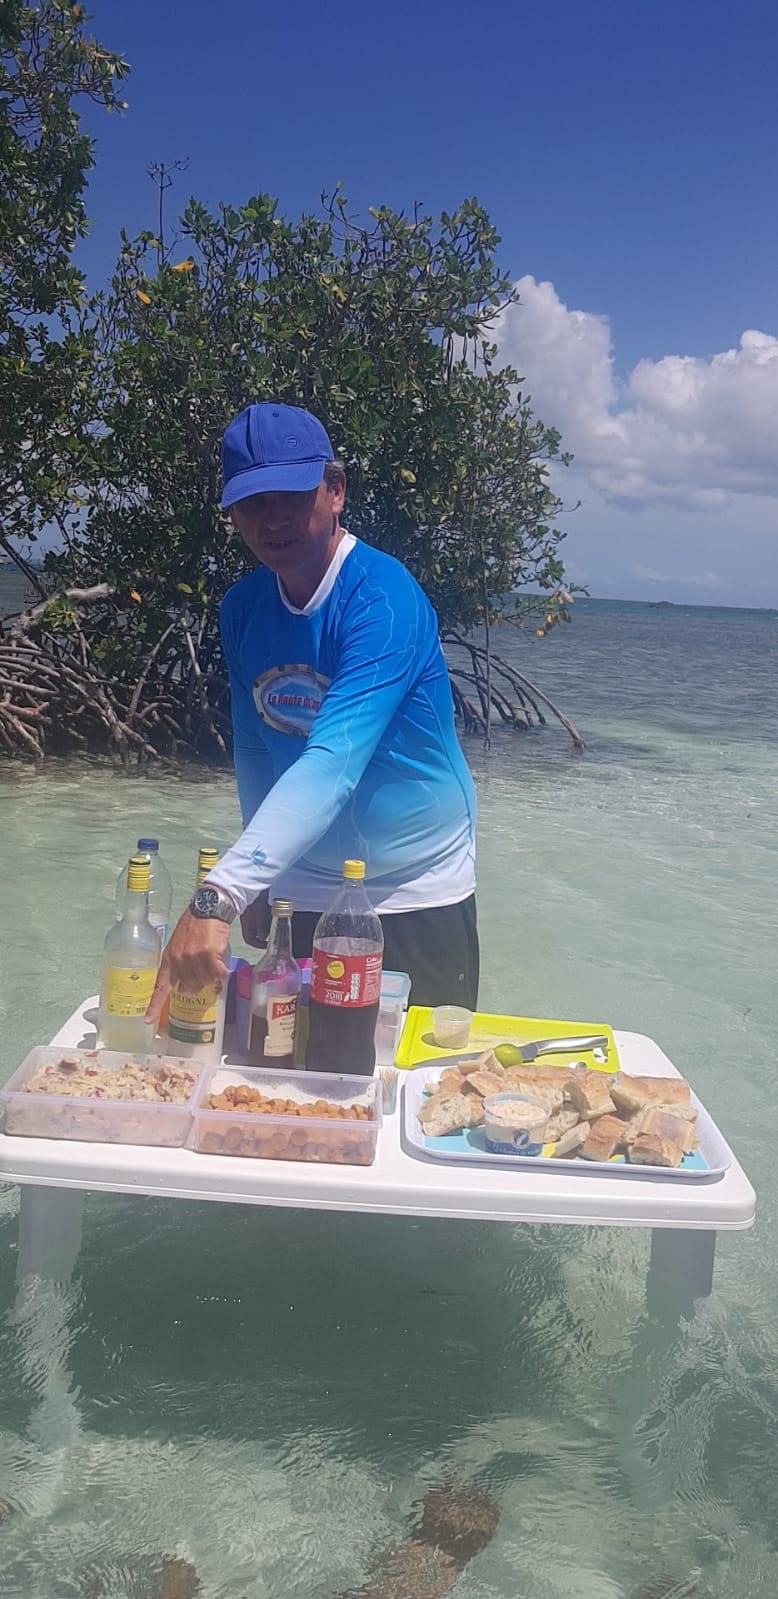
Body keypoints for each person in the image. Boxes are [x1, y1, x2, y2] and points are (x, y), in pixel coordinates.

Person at [147, 401, 478, 1025]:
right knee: (296, 1084)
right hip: (302, 880)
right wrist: (258, 872)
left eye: (291, 496)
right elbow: (254, 746)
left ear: (334, 491)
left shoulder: (383, 598)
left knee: (413, 1092)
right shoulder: (242, 609)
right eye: (253, 503)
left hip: (414, 886)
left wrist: (219, 893)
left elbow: (333, 762)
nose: (273, 519)